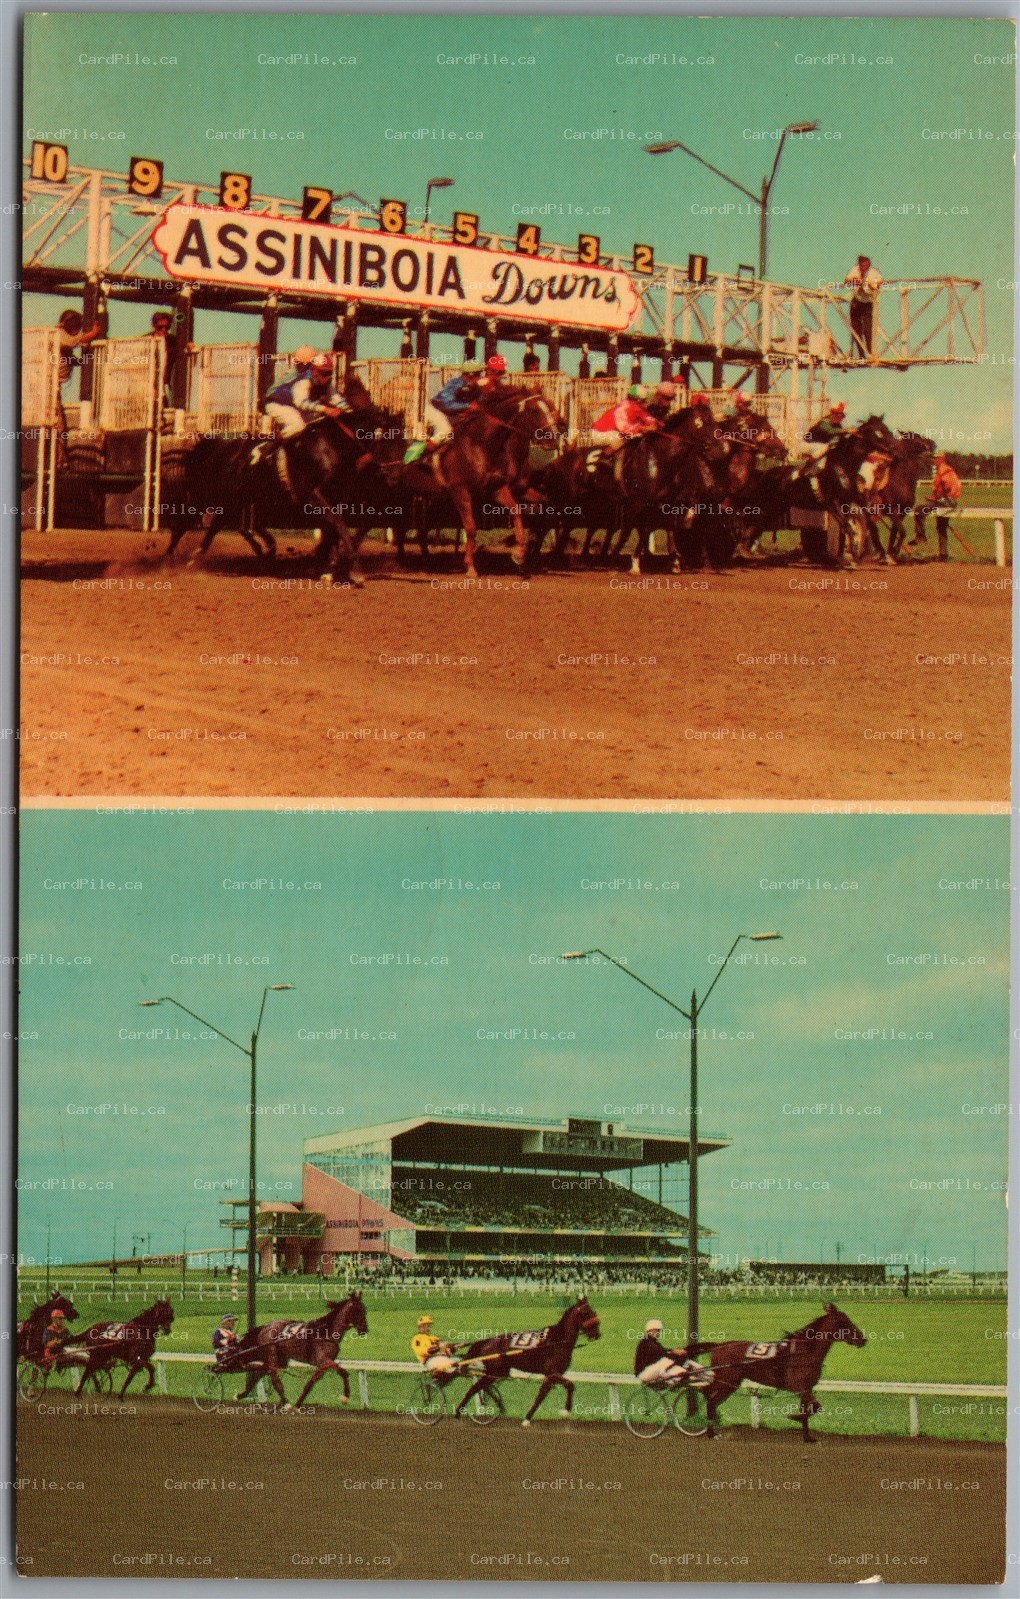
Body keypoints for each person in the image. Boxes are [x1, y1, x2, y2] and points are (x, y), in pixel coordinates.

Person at [263, 352, 352, 439]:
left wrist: (351, 414)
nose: (329, 377)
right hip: (276, 403)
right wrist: (325, 409)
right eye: (325, 373)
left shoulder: (327, 384)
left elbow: (339, 401)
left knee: (322, 420)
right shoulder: (304, 381)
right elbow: (301, 403)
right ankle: (270, 446)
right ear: (315, 371)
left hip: (293, 406)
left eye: (330, 373)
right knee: (298, 426)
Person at [55, 308, 103, 463]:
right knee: (58, 426)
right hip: (49, 389)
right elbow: (73, 341)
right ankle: (59, 461)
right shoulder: (58, 334)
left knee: (59, 426)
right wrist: (93, 333)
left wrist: (87, 355)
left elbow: (72, 360)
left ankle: (59, 460)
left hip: (55, 389)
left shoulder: (64, 339)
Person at [911, 451, 961, 560]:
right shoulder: (946, 469)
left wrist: (936, 498)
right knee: (941, 526)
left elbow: (946, 486)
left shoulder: (943, 470)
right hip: (949, 500)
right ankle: (943, 555)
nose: (934, 461)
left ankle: (921, 536)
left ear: (942, 459)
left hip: (946, 500)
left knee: (919, 510)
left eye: (936, 459)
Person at [634, 1318, 707, 1387]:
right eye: (656, 1331)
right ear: (649, 1331)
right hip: (643, 1374)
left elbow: (663, 1351)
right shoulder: (645, 1342)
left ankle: (698, 1372)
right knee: (664, 1362)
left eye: (659, 1331)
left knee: (674, 1360)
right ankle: (680, 1376)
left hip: (650, 1371)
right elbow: (661, 1352)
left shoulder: (653, 1342)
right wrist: (674, 1351)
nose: (658, 1333)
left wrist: (678, 1354)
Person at [592, 384, 660, 451]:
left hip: (615, 431)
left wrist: (655, 424)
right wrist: (643, 428)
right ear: (638, 400)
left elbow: (648, 418)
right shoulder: (623, 409)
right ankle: (603, 459)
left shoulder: (637, 407)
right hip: (599, 433)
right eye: (643, 400)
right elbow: (625, 429)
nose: (645, 403)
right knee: (620, 439)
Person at [845, 255, 883, 360]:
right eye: (861, 266)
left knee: (868, 329)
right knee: (856, 330)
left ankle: (870, 352)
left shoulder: (874, 273)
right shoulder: (855, 270)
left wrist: (869, 284)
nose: (863, 268)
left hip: (867, 303)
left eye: (865, 266)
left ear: (868, 265)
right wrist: (856, 281)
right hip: (856, 302)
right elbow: (846, 281)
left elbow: (879, 284)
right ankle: (861, 354)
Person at [411, 1314, 459, 1385]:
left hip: (439, 1358)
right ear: (420, 1327)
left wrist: (453, 1346)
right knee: (453, 1364)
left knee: (461, 1360)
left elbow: (445, 1345)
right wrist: (439, 1347)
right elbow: (426, 1351)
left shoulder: (432, 1338)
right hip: (429, 1361)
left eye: (429, 1326)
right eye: (425, 1326)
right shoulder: (417, 1339)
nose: (428, 1328)